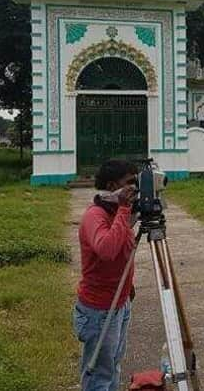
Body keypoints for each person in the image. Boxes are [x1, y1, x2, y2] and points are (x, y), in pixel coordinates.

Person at [73, 159, 139, 391]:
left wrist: (128, 285)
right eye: (129, 183)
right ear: (112, 186)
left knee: (113, 366)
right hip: (99, 309)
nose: (134, 188)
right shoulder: (96, 215)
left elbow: (124, 247)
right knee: (100, 375)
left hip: (119, 303)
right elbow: (108, 250)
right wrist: (123, 209)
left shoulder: (117, 212)